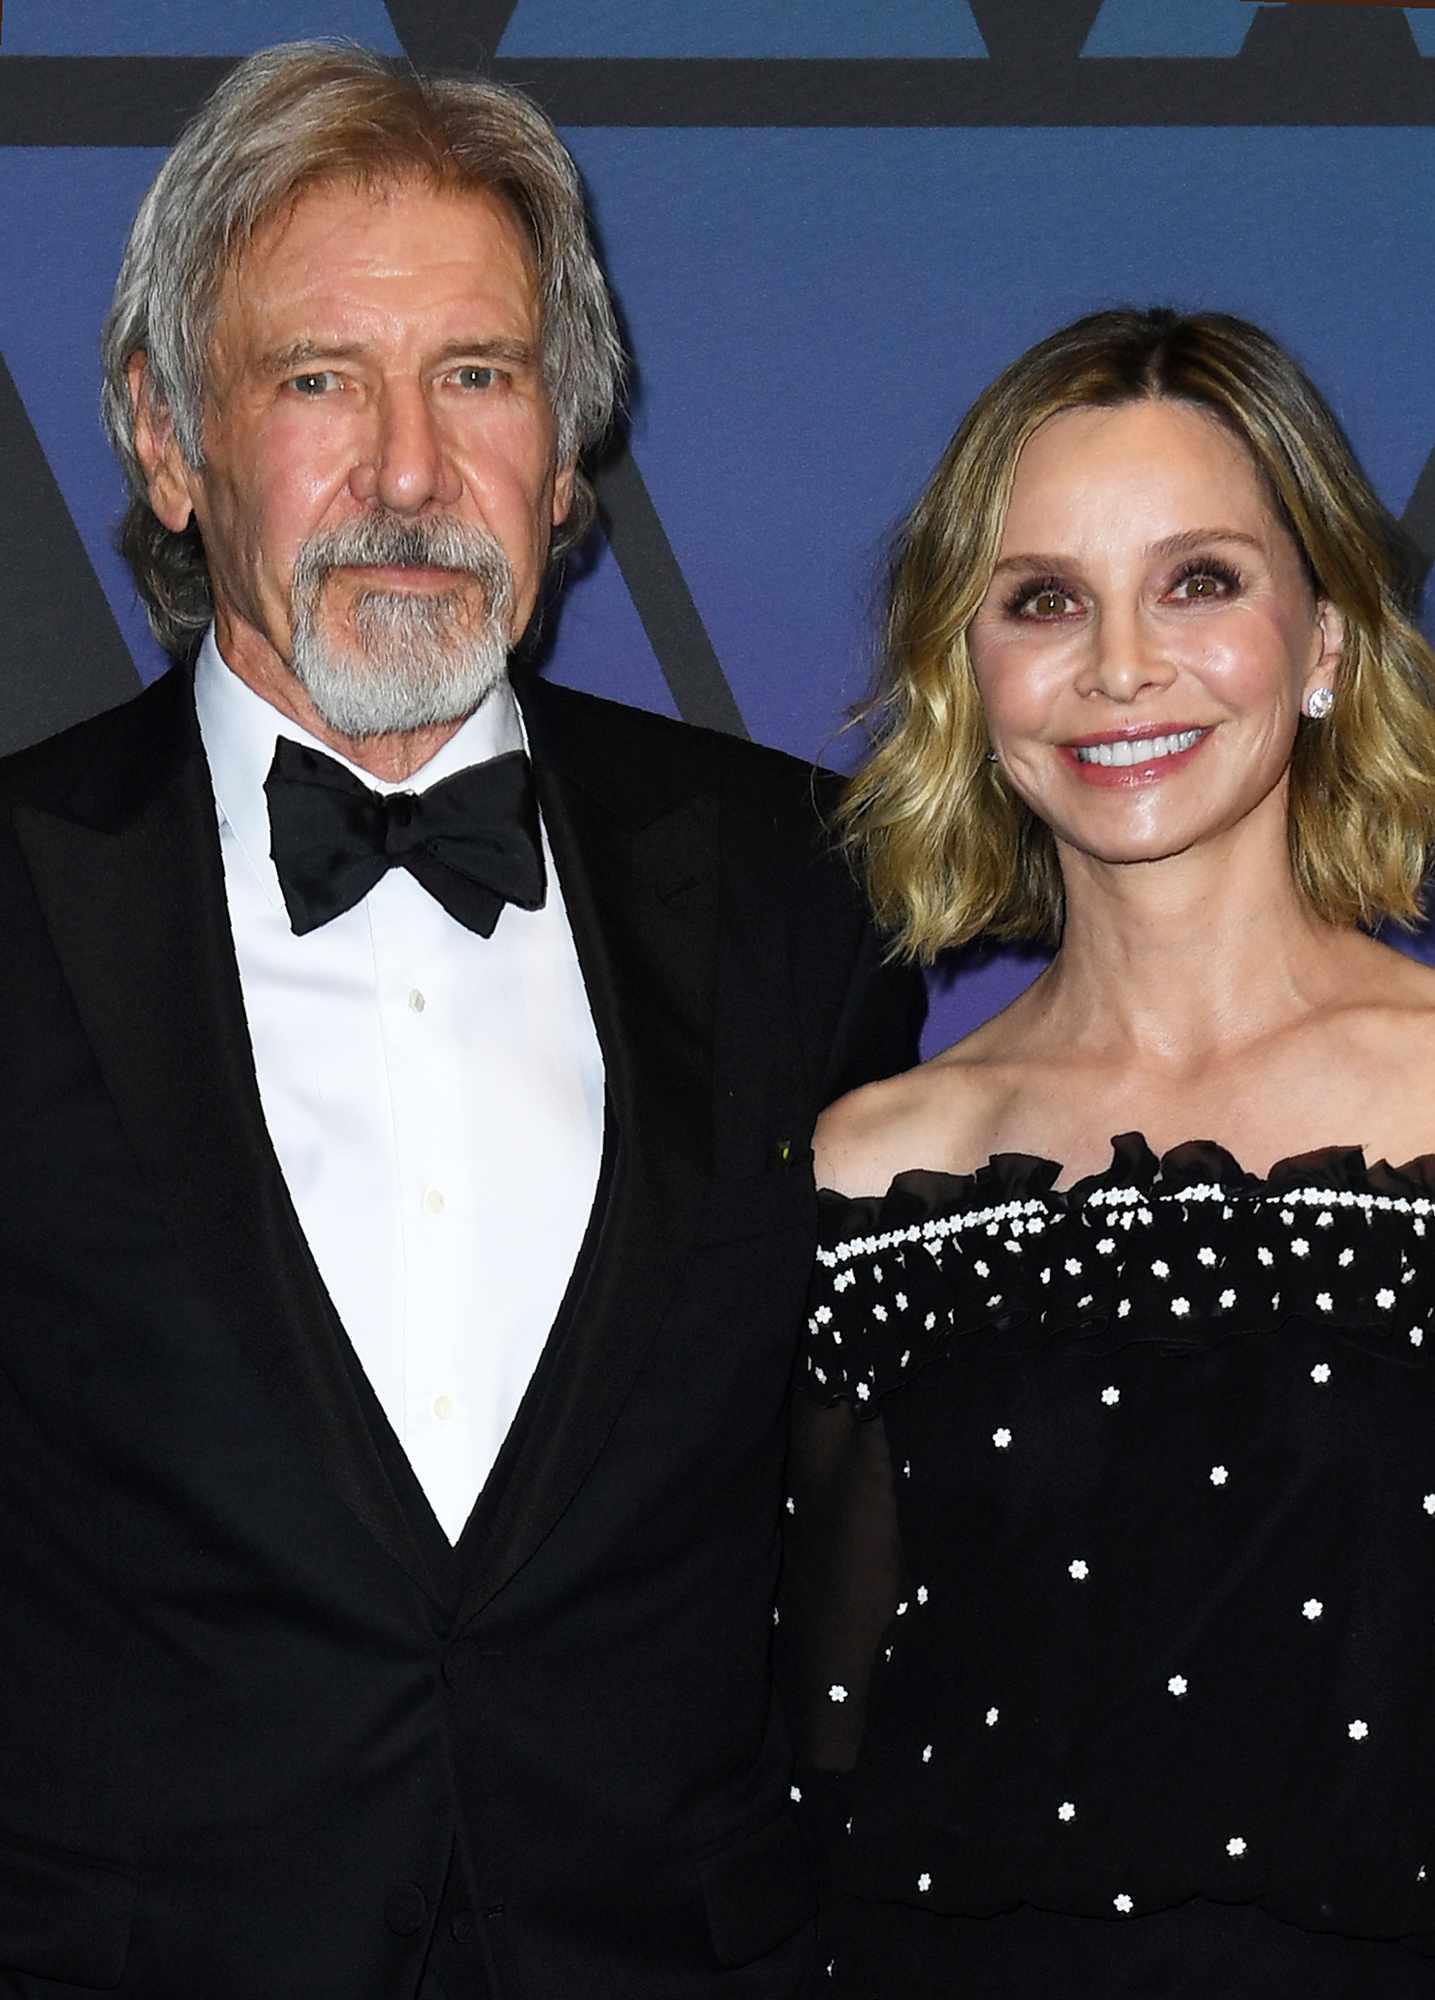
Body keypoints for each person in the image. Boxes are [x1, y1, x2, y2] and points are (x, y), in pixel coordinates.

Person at [0, 41, 921, 1999]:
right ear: (169, 443)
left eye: (479, 378)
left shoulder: (807, 894)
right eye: (318, 378)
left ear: (565, 453)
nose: (407, 470)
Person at [786, 306, 1435, 1996]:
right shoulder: (874, 1174)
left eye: (1202, 580)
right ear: (966, 667)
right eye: (1045, 599)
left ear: (1328, 641)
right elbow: (822, 1759)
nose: (1123, 664)